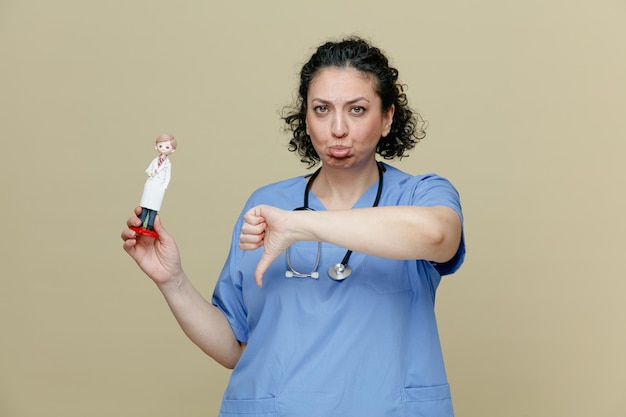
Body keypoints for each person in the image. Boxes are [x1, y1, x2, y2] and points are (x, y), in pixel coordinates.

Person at [122, 36, 465, 417]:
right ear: (305, 117)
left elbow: (438, 236)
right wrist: (172, 280)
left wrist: (302, 226)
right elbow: (235, 347)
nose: (337, 128)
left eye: (357, 109)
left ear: (386, 118)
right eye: (321, 109)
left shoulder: (421, 194)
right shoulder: (267, 205)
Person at [131, 133, 177, 238]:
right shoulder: (154, 161)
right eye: (161, 146)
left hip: (158, 187)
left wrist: (164, 187)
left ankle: (150, 226)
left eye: (167, 147)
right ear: (156, 146)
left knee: (153, 209)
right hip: (151, 184)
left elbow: (168, 177)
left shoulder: (167, 165)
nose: (163, 149)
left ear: (172, 150)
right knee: (145, 207)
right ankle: (141, 223)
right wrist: (150, 173)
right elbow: (147, 170)